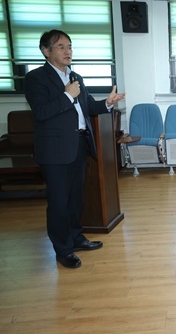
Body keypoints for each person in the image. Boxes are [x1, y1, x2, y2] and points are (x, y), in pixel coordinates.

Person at [24, 29, 125, 269]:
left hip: (79, 144)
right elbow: (41, 112)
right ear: (46, 51)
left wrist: (107, 104)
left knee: (75, 199)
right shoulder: (36, 78)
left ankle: (76, 237)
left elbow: (88, 106)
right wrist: (67, 95)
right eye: (61, 47)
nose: (68, 51)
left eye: (69, 46)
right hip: (55, 151)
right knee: (59, 202)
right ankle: (63, 249)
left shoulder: (75, 76)